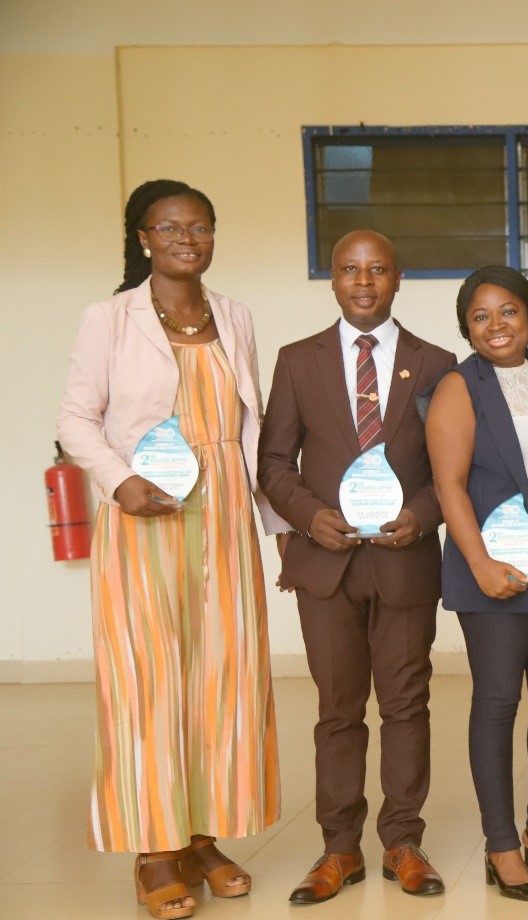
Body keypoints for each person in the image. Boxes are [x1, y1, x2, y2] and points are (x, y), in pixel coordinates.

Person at [56, 179, 281, 920]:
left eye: (201, 226)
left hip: (225, 516)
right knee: (147, 680)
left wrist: (276, 522)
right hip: (145, 515)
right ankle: (155, 849)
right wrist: (120, 482)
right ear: (144, 237)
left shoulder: (235, 315)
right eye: (171, 227)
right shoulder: (109, 318)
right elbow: (75, 418)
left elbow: (251, 428)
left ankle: (201, 837)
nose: (188, 239)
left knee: (224, 678)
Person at [258, 230, 455, 904]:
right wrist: (309, 515)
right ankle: (339, 849)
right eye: (349, 269)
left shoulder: (436, 363)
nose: (363, 282)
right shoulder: (296, 361)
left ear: (398, 278)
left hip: (404, 561)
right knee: (337, 710)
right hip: (326, 563)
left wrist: (422, 515)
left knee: (406, 705)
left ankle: (403, 842)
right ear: (335, 280)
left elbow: (454, 465)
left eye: (377, 270)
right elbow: (274, 462)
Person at [423, 266, 528, 902]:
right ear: (467, 328)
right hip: (496, 565)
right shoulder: (459, 387)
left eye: (508, 311)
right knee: (497, 702)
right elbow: (449, 485)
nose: (496, 325)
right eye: (480, 316)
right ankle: (501, 844)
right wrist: (480, 564)